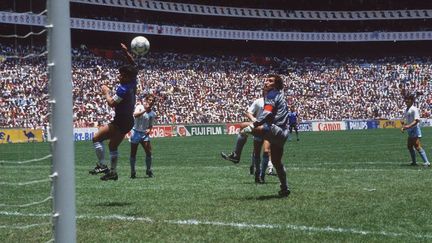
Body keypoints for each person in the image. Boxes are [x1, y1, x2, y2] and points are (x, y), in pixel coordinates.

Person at [88, 43, 138, 181]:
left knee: (96, 138)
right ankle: (113, 172)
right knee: (112, 145)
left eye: (121, 75)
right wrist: (126, 52)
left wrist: (106, 92)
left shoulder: (122, 89)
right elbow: (134, 65)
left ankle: (102, 166)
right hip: (128, 121)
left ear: (126, 77)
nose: (119, 76)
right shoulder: (133, 81)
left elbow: (111, 103)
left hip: (121, 121)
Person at [235, 74, 290, 197]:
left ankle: (236, 155)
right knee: (276, 162)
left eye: (270, 81)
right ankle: (284, 188)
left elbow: (267, 113)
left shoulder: (271, 95)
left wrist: (255, 124)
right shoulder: (280, 96)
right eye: (266, 80)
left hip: (274, 129)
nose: (266, 82)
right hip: (283, 134)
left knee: (243, 126)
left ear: (276, 85)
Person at [129, 94, 156, 178]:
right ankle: (133, 171)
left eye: (152, 101)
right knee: (133, 153)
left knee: (149, 152)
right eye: (150, 100)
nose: (151, 102)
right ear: (146, 100)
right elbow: (135, 115)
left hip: (144, 134)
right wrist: (145, 110)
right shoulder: (140, 107)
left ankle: (148, 170)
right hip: (135, 132)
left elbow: (150, 124)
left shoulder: (152, 113)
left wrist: (149, 129)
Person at [401, 94, 430, 167]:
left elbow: (416, 120)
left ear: (411, 100)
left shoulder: (414, 109)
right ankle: (414, 162)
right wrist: (404, 123)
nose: (406, 100)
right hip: (410, 130)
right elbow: (407, 119)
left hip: (414, 129)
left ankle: (426, 162)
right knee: (410, 146)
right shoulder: (407, 109)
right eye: (406, 99)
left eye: (408, 99)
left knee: (417, 146)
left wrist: (407, 126)